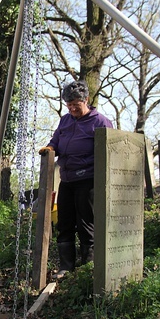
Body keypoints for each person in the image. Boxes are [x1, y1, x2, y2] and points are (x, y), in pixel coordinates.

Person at [39, 80, 113, 278]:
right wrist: (50, 148)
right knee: (64, 222)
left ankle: (88, 266)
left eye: (76, 105)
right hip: (68, 179)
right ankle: (66, 267)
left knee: (86, 223)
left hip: (88, 180)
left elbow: (109, 151)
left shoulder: (101, 122)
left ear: (86, 100)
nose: (72, 108)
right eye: (69, 105)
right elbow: (55, 140)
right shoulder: (65, 120)